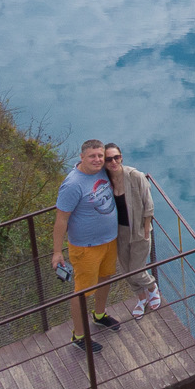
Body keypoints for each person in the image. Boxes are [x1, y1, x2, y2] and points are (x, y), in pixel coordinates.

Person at [51, 139, 120, 352]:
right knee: (82, 292)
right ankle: (78, 335)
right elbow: (61, 219)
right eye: (92, 156)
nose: (98, 160)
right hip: (85, 247)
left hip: (109, 241)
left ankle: (99, 315)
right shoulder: (73, 184)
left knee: (105, 278)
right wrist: (56, 252)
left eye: (100, 156)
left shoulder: (102, 172)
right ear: (82, 157)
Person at [102, 144, 163, 319]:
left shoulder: (135, 176)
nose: (113, 162)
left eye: (117, 157)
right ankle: (141, 298)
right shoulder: (105, 181)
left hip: (138, 230)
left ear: (121, 157)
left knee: (136, 269)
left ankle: (152, 287)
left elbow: (148, 204)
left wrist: (146, 228)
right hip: (118, 231)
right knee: (126, 269)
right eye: (109, 159)